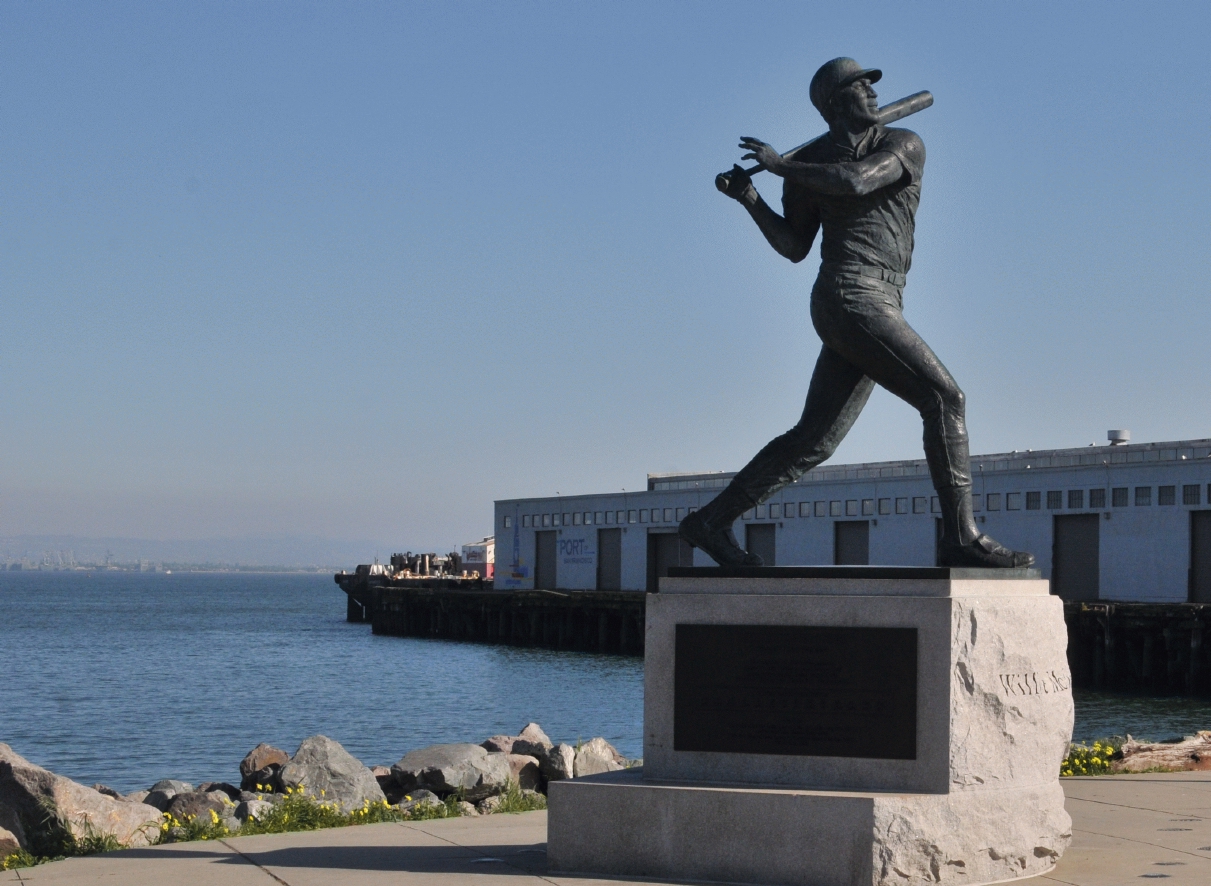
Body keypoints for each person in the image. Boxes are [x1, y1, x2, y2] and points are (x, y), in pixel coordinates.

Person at [679, 57, 1033, 569]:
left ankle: (708, 523)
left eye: (871, 85)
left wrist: (782, 167)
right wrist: (752, 198)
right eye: (858, 85)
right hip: (847, 297)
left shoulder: (902, 143)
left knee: (814, 439)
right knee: (945, 399)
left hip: (883, 298)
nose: (870, 90)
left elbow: (859, 181)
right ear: (833, 102)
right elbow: (795, 246)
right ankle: (961, 538)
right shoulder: (805, 169)